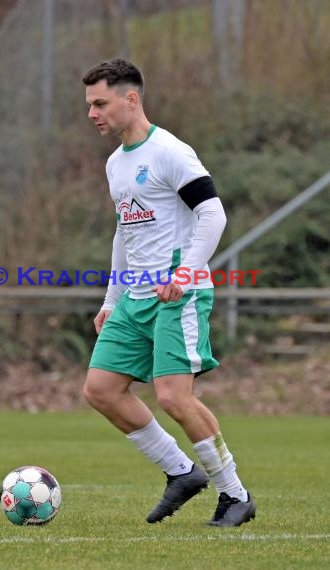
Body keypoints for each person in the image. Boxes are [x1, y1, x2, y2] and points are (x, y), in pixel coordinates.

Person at [82, 58, 256, 527]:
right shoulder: (116, 164)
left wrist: (185, 276)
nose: (93, 113)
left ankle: (235, 495)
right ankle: (181, 473)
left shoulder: (171, 152)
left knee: (175, 398)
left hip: (177, 292)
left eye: (100, 103)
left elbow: (213, 215)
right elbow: (124, 235)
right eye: (89, 105)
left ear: (130, 98)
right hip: (134, 295)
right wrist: (110, 300)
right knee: (101, 390)